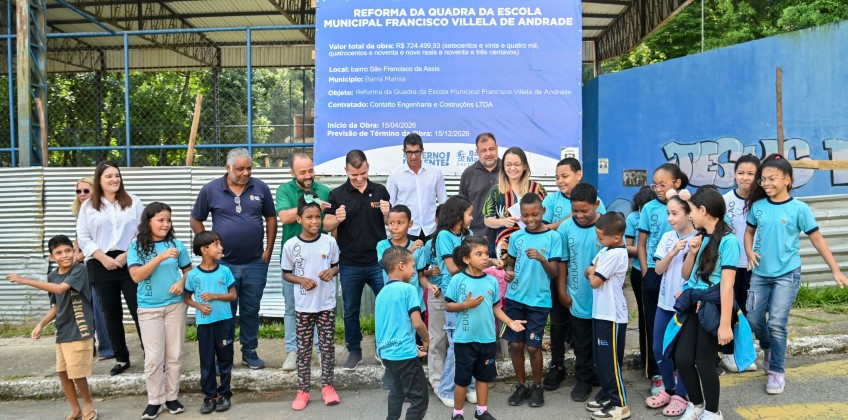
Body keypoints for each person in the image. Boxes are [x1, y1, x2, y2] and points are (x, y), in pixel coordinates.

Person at [744, 154, 848, 394]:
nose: (766, 183)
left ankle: (777, 371)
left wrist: (835, 270)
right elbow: (748, 233)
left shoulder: (799, 209)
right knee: (753, 319)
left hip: (787, 274)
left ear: (787, 180)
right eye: (763, 180)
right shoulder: (758, 207)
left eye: (772, 178)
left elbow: (818, 240)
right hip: (760, 273)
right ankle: (768, 346)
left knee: (777, 323)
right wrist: (749, 252)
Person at [191, 148, 277, 370]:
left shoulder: (261, 188)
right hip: (223, 264)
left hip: (255, 262)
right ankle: (223, 356)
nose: (246, 172)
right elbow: (196, 220)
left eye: (249, 168)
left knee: (250, 309)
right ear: (227, 168)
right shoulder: (211, 190)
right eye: (240, 169)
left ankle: (249, 351)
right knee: (224, 311)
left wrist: (267, 251)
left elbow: (270, 218)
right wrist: (207, 248)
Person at [6, 235, 98, 420]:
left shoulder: (79, 270)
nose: (64, 255)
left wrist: (24, 280)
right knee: (63, 373)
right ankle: (75, 409)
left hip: (79, 329)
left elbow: (60, 289)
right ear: (51, 257)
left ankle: (88, 405)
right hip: (63, 330)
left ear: (74, 251)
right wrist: (40, 324)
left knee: (77, 373)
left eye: (68, 250)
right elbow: (56, 305)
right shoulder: (52, 276)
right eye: (58, 253)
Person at [672, 186, 742, 420]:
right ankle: (697, 404)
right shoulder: (698, 237)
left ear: (703, 210)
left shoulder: (729, 242)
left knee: (704, 362)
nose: (689, 215)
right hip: (693, 303)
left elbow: (727, 285)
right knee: (681, 358)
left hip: (713, 306)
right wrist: (691, 253)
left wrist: (725, 325)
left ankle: (713, 411)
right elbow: (685, 276)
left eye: (691, 210)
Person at [323, 149, 391, 370]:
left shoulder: (380, 190)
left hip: (378, 261)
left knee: (385, 306)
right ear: (346, 171)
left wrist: (386, 214)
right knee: (351, 309)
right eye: (354, 175)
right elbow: (326, 225)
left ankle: (385, 349)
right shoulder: (337, 195)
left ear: (368, 167)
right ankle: (354, 351)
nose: (359, 178)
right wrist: (337, 220)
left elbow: (391, 223)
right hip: (350, 261)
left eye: (362, 173)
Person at [445, 236, 526, 420]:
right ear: (466, 259)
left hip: (488, 338)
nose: (484, 258)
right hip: (465, 340)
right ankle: (457, 413)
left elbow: (495, 307)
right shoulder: (458, 280)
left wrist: (510, 322)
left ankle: (481, 410)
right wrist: (465, 305)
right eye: (479, 254)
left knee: (483, 377)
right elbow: (448, 305)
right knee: (462, 380)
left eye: (486, 253)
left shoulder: (491, 281)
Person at [76, 160, 144, 376]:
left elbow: (142, 231)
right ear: (99, 180)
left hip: (129, 260)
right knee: (111, 314)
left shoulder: (133, 201)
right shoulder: (88, 206)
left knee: (139, 310)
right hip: (100, 262)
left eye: (117, 175)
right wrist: (102, 257)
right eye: (109, 176)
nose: (114, 179)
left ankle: (150, 353)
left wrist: (128, 254)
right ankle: (121, 357)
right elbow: (83, 236)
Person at [128, 202, 192, 420]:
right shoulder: (137, 246)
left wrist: (183, 283)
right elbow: (136, 276)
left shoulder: (177, 244)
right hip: (149, 309)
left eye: (168, 220)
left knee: (174, 355)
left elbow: (188, 271)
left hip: (175, 305)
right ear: (148, 222)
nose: (166, 224)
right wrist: (160, 257)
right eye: (160, 220)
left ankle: (172, 397)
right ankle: (154, 400)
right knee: (154, 358)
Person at [282, 193, 342, 410]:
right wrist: (302, 280)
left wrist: (331, 271)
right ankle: (303, 390)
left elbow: (337, 266)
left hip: (326, 304)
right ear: (299, 219)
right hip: (303, 307)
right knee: (304, 349)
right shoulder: (290, 245)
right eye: (309, 217)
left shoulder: (330, 241)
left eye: (318, 217)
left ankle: (328, 387)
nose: (315, 221)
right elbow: (286, 273)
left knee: (327, 348)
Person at [503, 193, 562, 408]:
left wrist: (541, 258)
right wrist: (508, 271)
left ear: (543, 212)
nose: (530, 219)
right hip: (515, 298)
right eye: (525, 215)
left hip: (539, 301)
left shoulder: (553, 237)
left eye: (535, 214)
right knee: (515, 344)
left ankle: (537, 387)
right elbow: (510, 262)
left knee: (533, 347)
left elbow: (554, 272)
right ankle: (521, 385)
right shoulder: (517, 237)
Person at [275, 153, 331, 371]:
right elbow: (285, 217)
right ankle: (293, 351)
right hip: (293, 258)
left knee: (320, 307)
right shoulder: (285, 190)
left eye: (311, 170)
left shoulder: (325, 190)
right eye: (303, 172)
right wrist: (314, 202)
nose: (308, 176)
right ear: (292, 173)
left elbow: (330, 222)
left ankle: (318, 350)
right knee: (292, 307)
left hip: (319, 258)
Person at [637, 162, 689, 394]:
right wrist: (647, 271)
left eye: (662, 184)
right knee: (652, 324)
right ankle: (656, 372)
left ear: (676, 184)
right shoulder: (648, 208)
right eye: (654, 184)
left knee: (680, 325)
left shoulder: (689, 206)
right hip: (655, 270)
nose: (657, 188)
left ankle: (680, 371)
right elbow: (642, 242)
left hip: (681, 277)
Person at [644, 191, 694, 416]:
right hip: (664, 303)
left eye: (674, 213)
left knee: (683, 353)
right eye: (668, 213)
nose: (670, 218)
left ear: (689, 213)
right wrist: (674, 251)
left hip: (686, 306)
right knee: (659, 348)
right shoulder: (668, 238)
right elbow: (658, 269)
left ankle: (682, 396)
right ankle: (669, 389)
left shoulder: (699, 239)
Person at [555, 183, 603, 402]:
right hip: (577, 296)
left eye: (585, 211)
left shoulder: (605, 226)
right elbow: (562, 263)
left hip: (603, 297)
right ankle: (582, 378)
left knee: (600, 340)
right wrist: (562, 291)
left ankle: (599, 375)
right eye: (575, 211)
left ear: (596, 204)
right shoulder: (565, 228)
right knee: (581, 342)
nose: (580, 215)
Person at [432, 196, 478, 407]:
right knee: (456, 345)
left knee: (470, 343)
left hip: (471, 293)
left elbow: (478, 258)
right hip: (453, 296)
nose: (472, 217)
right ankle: (446, 388)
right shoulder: (444, 236)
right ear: (459, 215)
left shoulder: (469, 235)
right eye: (469, 213)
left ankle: (468, 386)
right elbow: (451, 268)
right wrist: (479, 266)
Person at [184, 231, 237, 415]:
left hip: (224, 322)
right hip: (205, 324)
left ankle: (225, 394)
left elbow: (233, 295)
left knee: (225, 358)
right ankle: (209, 396)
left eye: (220, 244)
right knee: (206, 360)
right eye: (216, 245)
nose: (221, 248)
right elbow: (187, 298)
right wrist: (199, 306)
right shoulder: (193, 275)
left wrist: (215, 296)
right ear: (204, 250)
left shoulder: (225, 271)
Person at [376, 246, 431, 420]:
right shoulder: (409, 290)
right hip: (404, 356)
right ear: (401, 265)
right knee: (419, 398)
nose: (414, 270)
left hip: (387, 354)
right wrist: (426, 339)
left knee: (397, 391)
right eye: (412, 266)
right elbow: (417, 322)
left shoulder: (382, 293)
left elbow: (389, 326)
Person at [585, 212, 631, 420]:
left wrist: (593, 272)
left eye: (601, 237)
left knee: (610, 362)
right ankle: (606, 394)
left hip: (612, 315)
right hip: (601, 312)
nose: (598, 240)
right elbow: (590, 270)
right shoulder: (606, 250)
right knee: (602, 360)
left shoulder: (615, 254)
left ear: (616, 238)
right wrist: (592, 271)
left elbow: (594, 280)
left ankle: (619, 404)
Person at [719, 154, 760, 373]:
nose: (745, 178)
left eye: (751, 174)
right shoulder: (726, 201)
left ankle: (743, 353)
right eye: (741, 173)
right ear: (734, 174)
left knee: (748, 311)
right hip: (731, 265)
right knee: (731, 308)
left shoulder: (762, 201)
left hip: (753, 265)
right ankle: (727, 354)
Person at [71, 177, 113, 360]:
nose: (82, 195)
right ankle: (90, 346)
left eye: (86, 191)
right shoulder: (81, 212)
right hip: (81, 268)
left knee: (99, 306)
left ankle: (107, 348)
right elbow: (79, 240)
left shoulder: (100, 212)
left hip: (96, 264)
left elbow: (96, 242)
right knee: (82, 307)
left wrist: (78, 257)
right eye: (78, 191)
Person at [482, 147, 547, 264]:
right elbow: (487, 219)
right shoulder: (496, 191)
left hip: (534, 240)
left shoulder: (537, 189)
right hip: (506, 244)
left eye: (517, 164)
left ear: (524, 166)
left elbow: (547, 215)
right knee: (508, 277)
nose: (512, 168)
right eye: (508, 164)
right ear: (503, 167)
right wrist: (503, 221)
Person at [386, 133, 448, 242]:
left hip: (431, 230)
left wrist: (441, 226)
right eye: (409, 152)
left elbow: (443, 202)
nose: (413, 156)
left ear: (422, 150)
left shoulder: (435, 172)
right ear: (404, 152)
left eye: (417, 152)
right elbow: (390, 205)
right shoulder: (395, 174)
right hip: (406, 231)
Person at [623, 186, 656, 379]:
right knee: (645, 316)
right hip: (640, 271)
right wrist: (647, 251)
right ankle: (647, 361)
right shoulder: (633, 218)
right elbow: (628, 247)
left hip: (663, 269)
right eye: (643, 207)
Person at [542, 158, 607, 231]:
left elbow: (604, 228)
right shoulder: (550, 200)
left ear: (578, 175)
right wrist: (566, 220)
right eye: (557, 178)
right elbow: (541, 229)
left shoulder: (594, 200)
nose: (559, 181)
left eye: (564, 176)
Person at [459, 133, 501, 243]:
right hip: (477, 236)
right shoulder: (468, 174)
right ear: (477, 152)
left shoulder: (508, 171)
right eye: (483, 150)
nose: (488, 154)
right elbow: (461, 209)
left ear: (497, 148)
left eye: (491, 149)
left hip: (504, 234)